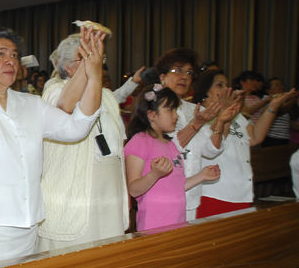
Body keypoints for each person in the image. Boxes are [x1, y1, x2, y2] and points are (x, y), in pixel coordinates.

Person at [0, 25, 103, 268]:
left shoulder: (31, 104)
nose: (10, 60)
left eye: (14, 55)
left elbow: (77, 128)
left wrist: (94, 74)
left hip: (24, 225)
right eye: (1, 54)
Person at [37, 33, 129, 251]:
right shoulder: (54, 90)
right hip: (71, 193)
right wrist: (91, 72)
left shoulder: (107, 96)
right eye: (88, 57)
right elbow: (64, 106)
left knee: (107, 255)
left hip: (109, 189)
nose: (97, 63)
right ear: (69, 67)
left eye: (99, 58)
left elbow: (120, 149)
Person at [194, 70, 298, 217]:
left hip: (242, 192)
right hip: (215, 193)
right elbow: (212, 145)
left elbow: (255, 137)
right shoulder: (199, 115)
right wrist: (223, 114)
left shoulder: (236, 117)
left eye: (227, 85)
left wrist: (272, 107)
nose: (227, 89)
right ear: (205, 91)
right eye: (219, 85)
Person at [124, 84, 221, 232]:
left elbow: (176, 187)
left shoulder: (170, 144)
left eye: (176, 109)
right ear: (151, 115)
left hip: (178, 221)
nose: (175, 115)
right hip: (153, 224)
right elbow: (134, 190)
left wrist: (201, 176)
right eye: (170, 110)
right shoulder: (139, 141)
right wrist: (154, 174)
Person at [154, 48, 226, 221]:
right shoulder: (152, 108)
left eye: (188, 72)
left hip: (191, 194)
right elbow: (166, 148)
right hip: (162, 195)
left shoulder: (196, 110)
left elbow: (211, 151)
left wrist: (222, 121)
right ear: (162, 77)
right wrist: (198, 123)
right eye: (177, 70)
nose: (184, 76)